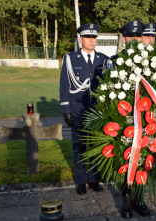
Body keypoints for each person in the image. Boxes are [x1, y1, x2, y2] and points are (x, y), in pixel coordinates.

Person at [60, 23, 109, 195]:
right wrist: (66, 110)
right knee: (79, 147)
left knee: (96, 146)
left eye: (94, 37)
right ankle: (81, 181)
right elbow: (65, 86)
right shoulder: (70, 59)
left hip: (97, 112)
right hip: (78, 110)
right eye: (88, 37)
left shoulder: (104, 60)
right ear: (80, 39)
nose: (91, 40)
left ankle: (94, 180)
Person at [116, 20, 150, 218]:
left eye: (139, 36)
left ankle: (140, 200)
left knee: (143, 160)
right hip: (124, 121)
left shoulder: (150, 62)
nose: (136, 40)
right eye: (132, 36)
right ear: (125, 38)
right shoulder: (114, 61)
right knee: (126, 160)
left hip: (145, 120)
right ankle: (127, 201)